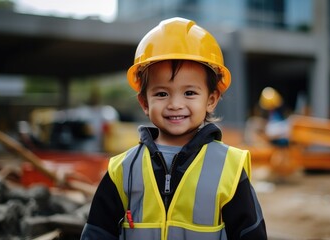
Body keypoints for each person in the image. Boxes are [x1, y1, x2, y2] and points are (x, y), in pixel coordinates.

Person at [80, 17, 267, 240]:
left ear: (211, 99)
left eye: (189, 93)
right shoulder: (122, 170)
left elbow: (250, 234)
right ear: (144, 103)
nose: (175, 104)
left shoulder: (230, 168)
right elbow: (97, 233)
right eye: (161, 93)